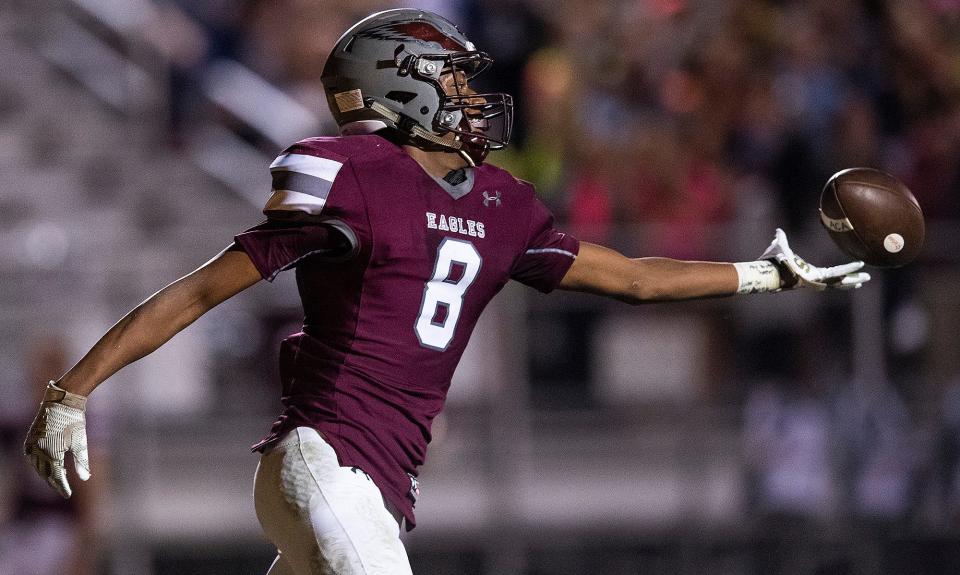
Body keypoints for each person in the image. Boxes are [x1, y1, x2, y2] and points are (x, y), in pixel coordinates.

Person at [23, 9, 870, 575]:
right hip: (325, 460)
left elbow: (637, 279)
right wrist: (73, 391)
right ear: (403, 92)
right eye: (453, 84)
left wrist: (768, 272)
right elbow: (203, 290)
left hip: (378, 480)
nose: (472, 101)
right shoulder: (353, 176)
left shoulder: (503, 203)